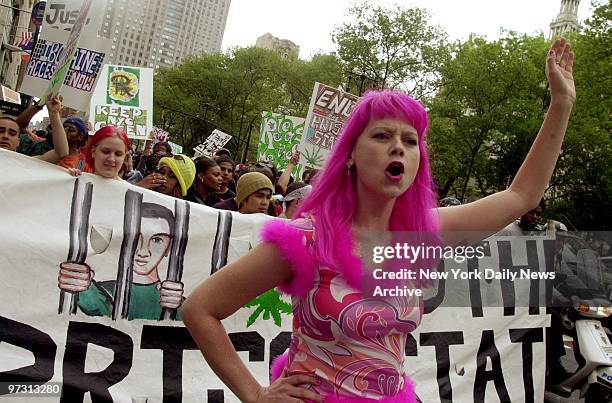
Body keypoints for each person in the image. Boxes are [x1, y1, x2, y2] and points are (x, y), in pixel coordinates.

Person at [182, 38, 576, 402]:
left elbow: (521, 196)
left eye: (410, 141)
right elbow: (200, 308)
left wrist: (561, 104)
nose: (398, 148)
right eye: (383, 136)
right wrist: (255, 394)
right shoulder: (306, 238)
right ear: (351, 154)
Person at [57, 202, 184, 321]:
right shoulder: (104, 291)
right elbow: (98, 308)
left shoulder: (175, 299)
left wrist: (182, 306)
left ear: (170, 247)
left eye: (157, 240)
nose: (143, 252)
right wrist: (83, 286)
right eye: (134, 238)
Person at [0, 96, 69, 163]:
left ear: (18, 142)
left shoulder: (23, 163)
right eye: (0, 131)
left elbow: (61, 153)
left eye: (12, 133)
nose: (5, 136)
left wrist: (54, 113)